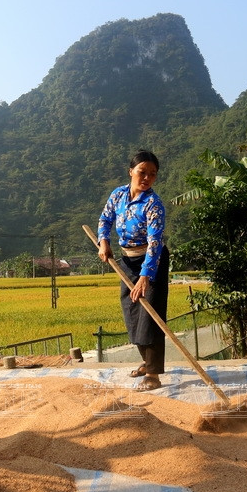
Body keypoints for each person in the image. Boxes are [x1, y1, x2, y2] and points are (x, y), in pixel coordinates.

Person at [97, 150, 169, 391]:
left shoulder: (153, 204)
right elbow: (105, 219)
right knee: (132, 310)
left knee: (151, 315)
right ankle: (145, 362)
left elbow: (155, 243)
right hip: (126, 261)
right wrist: (104, 241)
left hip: (152, 262)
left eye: (152, 174)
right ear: (131, 171)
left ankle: (153, 374)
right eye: (142, 172)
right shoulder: (118, 195)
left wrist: (145, 277)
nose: (147, 177)